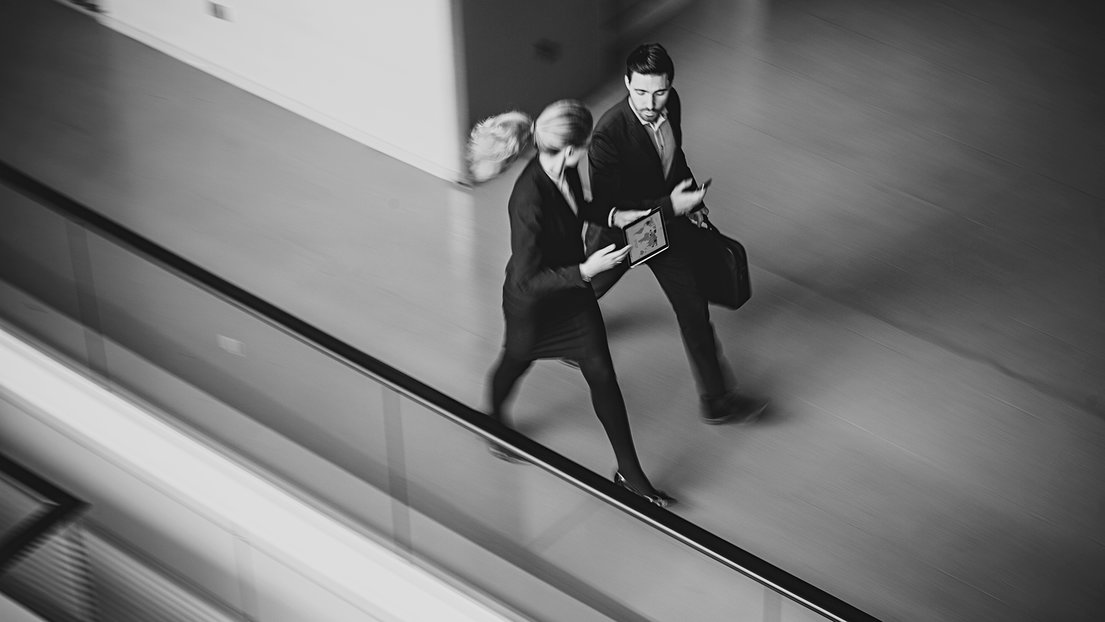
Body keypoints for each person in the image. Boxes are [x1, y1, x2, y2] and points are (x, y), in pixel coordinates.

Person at [470, 99, 676, 507]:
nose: (588, 152)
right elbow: (527, 280)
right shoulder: (526, 200)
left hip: (571, 292)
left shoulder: (564, 166)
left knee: (602, 373)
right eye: (585, 146)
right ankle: (491, 419)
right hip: (535, 302)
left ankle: (630, 475)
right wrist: (586, 269)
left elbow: (579, 205)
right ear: (570, 149)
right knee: (515, 360)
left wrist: (616, 216)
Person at [588, 43, 768, 424]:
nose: (650, 102)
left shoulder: (674, 105)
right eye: (639, 92)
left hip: (666, 223)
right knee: (592, 283)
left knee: (692, 310)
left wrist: (692, 198)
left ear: (670, 85)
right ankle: (560, 323)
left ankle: (716, 400)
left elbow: (674, 157)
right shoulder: (608, 134)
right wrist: (673, 206)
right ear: (626, 83)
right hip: (629, 231)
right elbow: (614, 208)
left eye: (659, 91)